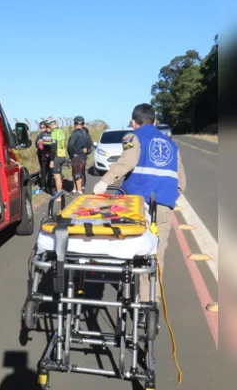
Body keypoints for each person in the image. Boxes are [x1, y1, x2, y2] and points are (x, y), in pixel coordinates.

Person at [93, 103, 186, 303]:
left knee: (131, 249)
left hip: (136, 207)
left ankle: (131, 294)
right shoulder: (171, 145)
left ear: (134, 123)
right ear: (156, 121)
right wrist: (167, 198)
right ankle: (150, 300)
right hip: (161, 207)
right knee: (156, 254)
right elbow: (181, 183)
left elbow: (126, 161)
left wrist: (104, 182)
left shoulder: (136, 138)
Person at [67, 116, 92, 194]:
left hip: (76, 156)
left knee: (77, 173)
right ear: (83, 124)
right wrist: (86, 150)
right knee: (78, 172)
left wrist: (71, 154)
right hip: (83, 157)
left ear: (74, 124)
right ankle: (75, 189)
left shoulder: (75, 133)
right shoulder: (86, 134)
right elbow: (90, 146)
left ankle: (79, 191)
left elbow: (70, 145)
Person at [47, 117, 67, 196]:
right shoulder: (61, 131)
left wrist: (52, 160)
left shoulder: (54, 132)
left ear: (49, 125)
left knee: (56, 176)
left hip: (57, 156)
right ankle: (60, 191)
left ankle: (59, 195)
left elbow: (54, 147)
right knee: (59, 175)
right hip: (62, 155)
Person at [35, 121, 53, 193]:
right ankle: (43, 186)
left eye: (43, 127)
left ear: (47, 127)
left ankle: (49, 185)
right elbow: (37, 144)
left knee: (50, 171)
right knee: (43, 171)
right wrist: (45, 152)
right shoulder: (40, 135)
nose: (42, 129)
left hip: (50, 155)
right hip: (42, 155)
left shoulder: (52, 134)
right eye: (41, 128)